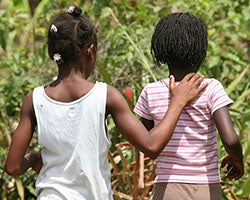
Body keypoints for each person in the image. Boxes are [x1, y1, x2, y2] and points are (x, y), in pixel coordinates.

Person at [4, 5, 206, 200]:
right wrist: (178, 101)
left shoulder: (34, 99)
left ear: (52, 54)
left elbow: (12, 167)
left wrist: (32, 159)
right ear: (90, 51)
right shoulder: (106, 96)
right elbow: (151, 146)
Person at [134, 12, 244, 200]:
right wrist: (237, 159)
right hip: (205, 188)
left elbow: (145, 142)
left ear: (160, 51)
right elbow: (231, 140)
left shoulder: (150, 92)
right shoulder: (211, 88)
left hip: (166, 188)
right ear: (201, 52)